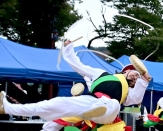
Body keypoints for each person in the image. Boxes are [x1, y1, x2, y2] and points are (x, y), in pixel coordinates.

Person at [1, 39, 151, 125]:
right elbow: (78, 65)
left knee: (112, 103)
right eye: (134, 73)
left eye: (137, 77)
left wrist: (143, 81)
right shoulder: (101, 73)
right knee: (54, 103)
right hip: (90, 102)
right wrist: (68, 48)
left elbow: (137, 99)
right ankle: (8, 108)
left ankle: (95, 110)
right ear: (126, 71)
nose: (135, 77)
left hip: (109, 113)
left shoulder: (128, 93)